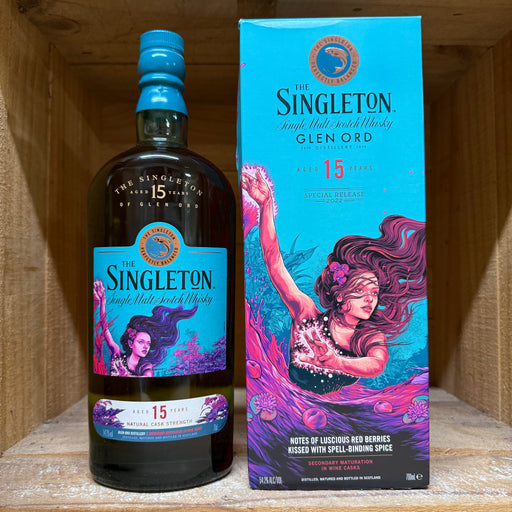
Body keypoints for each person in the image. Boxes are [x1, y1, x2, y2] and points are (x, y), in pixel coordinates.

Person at [241, 169, 426, 394]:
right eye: (361, 290)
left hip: (340, 411)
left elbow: (376, 364)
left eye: (374, 292)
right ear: (339, 294)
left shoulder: (368, 337)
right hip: (287, 402)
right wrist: (266, 205)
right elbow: (274, 263)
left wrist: (336, 362)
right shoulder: (306, 315)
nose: (370, 299)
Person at [93, 279, 197, 377]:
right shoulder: (117, 355)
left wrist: (127, 375)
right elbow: (105, 330)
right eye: (141, 342)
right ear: (130, 343)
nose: (146, 347)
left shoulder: (146, 367)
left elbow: (147, 377)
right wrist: (102, 302)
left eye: (148, 343)